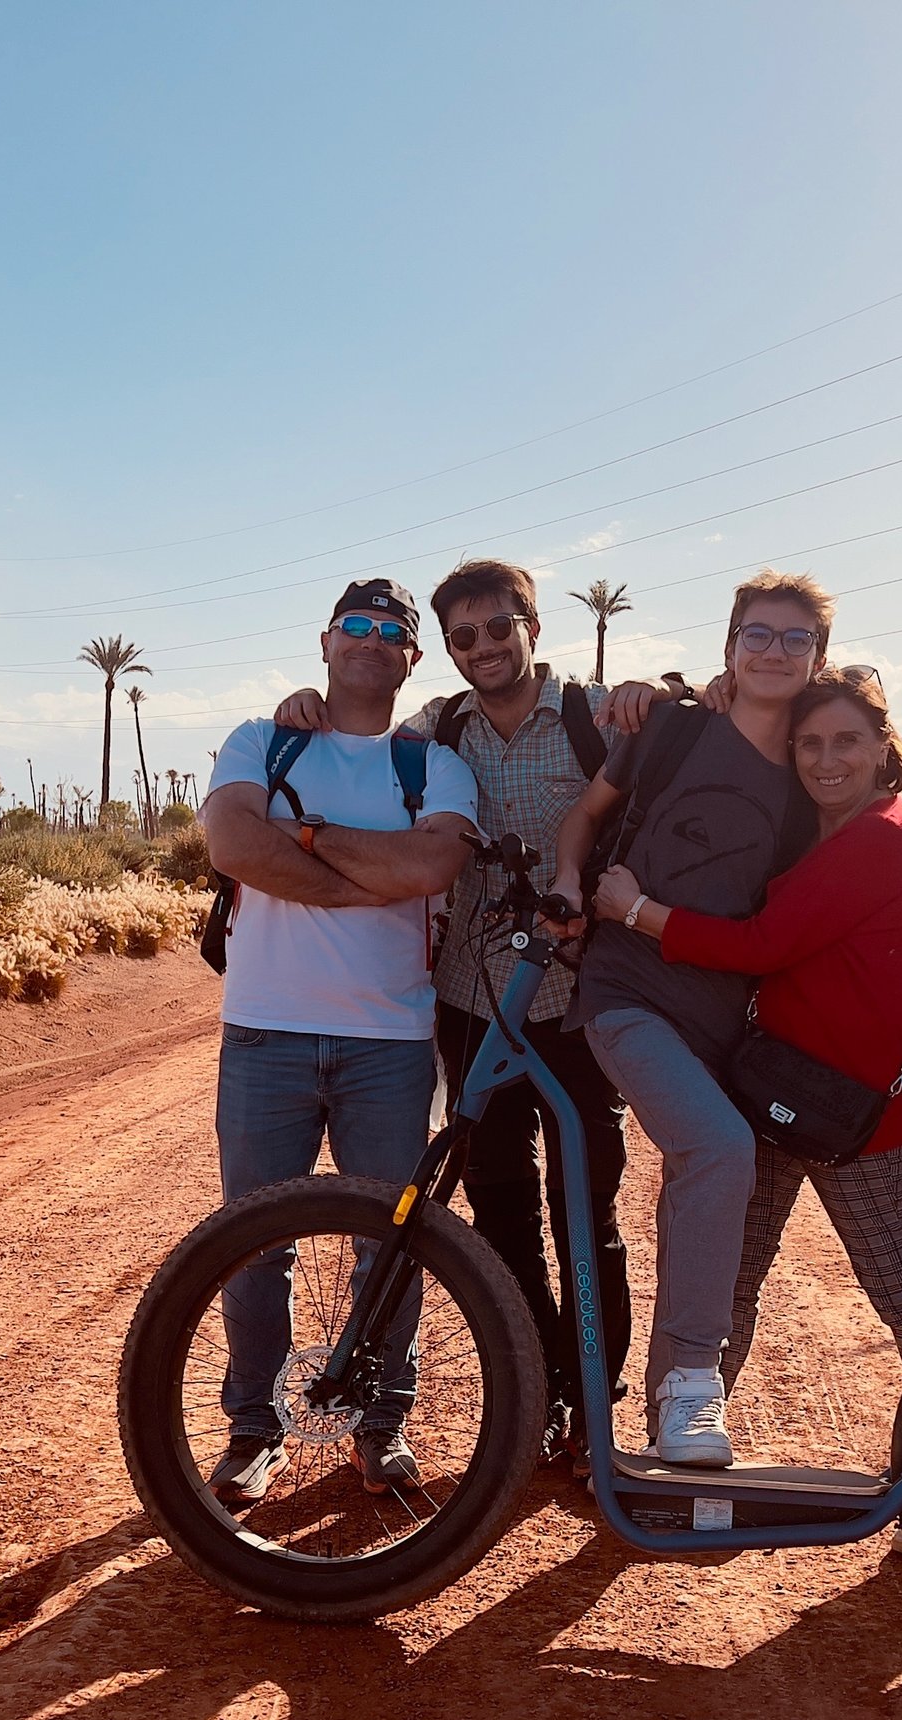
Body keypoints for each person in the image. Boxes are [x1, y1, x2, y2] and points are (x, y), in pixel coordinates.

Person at [272, 559, 649, 1456]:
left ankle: (597, 1407)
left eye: (498, 629)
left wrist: (658, 695)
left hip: (578, 1005)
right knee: (501, 1208)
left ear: (533, 629)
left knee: (585, 1213)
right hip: (471, 1005)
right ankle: (546, 1398)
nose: (483, 648)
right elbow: (353, 745)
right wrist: (305, 708)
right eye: (463, 637)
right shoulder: (435, 733)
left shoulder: (599, 720)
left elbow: (676, 754)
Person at [591, 663, 902, 1389]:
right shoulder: (821, 829)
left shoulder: (882, 834)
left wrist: (636, 912)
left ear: (884, 746)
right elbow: (755, 684)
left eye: (846, 740)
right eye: (809, 742)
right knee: (728, 1284)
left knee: (899, 1295)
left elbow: (760, 945)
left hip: (848, 1116)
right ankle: (681, 1447)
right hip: (777, 1089)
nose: (825, 760)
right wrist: (681, 689)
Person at [198, 577, 477, 1506]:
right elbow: (233, 844)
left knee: (391, 1248)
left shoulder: (432, 764)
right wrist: (369, 876)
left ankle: (379, 1427)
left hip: (391, 1043)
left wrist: (303, 836)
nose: (370, 639)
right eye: (353, 625)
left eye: (391, 629)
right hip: (267, 1032)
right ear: (324, 641)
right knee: (251, 1246)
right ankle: (254, 1430)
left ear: (412, 656)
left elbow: (434, 864)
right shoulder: (262, 738)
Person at [552, 571, 830, 1465]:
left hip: (722, 1025)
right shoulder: (669, 731)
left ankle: (662, 1423)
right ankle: (690, 1393)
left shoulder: (813, 779)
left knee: (697, 1177)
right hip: (625, 993)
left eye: (796, 639)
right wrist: (568, 885)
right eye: (759, 634)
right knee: (717, 1150)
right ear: (730, 648)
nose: (775, 651)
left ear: (819, 657)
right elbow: (583, 821)